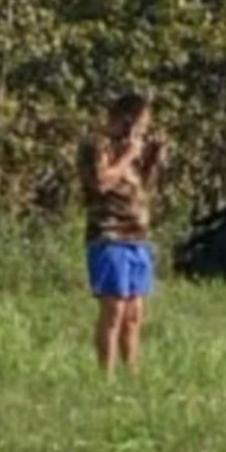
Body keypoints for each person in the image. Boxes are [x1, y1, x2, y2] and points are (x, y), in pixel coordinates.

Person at [78, 91, 170, 376]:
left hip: (137, 238)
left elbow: (141, 189)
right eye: (140, 126)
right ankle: (105, 376)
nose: (143, 132)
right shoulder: (97, 145)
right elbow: (101, 183)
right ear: (125, 120)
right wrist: (128, 155)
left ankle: (132, 373)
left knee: (134, 314)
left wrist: (152, 161)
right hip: (110, 236)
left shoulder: (132, 149)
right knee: (114, 309)